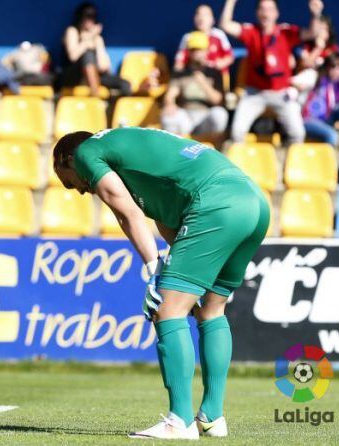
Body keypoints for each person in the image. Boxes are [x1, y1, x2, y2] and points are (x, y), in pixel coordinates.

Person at [53, 127, 269, 440]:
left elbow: (126, 214)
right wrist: (171, 271)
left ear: (67, 158)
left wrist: (155, 269)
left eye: (67, 180)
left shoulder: (86, 152)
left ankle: (178, 421)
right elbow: (173, 226)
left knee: (166, 311)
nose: (77, 189)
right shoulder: (141, 167)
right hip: (252, 202)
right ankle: (212, 417)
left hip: (216, 203)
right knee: (210, 310)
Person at [220, 0, 325, 145]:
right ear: (257, 13)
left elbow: (311, 33)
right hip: (254, 93)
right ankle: (242, 163)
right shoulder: (251, 32)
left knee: (297, 133)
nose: (266, 13)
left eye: (270, 9)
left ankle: (285, 162)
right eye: (262, 9)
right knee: (237, 131)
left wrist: (316, 13)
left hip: (281, 93)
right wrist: (230, 2)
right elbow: (225, 25)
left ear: (276, 13)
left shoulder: (285, 32)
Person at [293, 53, 339, 159]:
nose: (337, 71)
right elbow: (292, 81)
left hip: (327, 119)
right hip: (308, 119)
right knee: (332, 135)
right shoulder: (314, 76)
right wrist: (298, 87)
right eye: (333, 67)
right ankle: (327, 165)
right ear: (326, 67)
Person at [162, 32, 228, 140]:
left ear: (207, 51)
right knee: (168, 115)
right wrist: (170, 104)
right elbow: (170, 95)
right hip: (186, 116)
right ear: (188, 52)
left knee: (220, 114)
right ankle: (173, 153)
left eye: (200, 49)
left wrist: (203, 83)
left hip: (205, 117)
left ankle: (216, 151)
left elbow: (219, 101)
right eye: (193, 50)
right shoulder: (181, 73)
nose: (197, 53)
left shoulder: (214, 73)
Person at [60, 2, 131, 97]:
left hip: (96, 75)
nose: (90, 19)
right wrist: (88, 40)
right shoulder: (72, 31)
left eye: (93, 16)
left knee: (125, 84)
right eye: (87, 15)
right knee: (88, 54)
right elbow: (73, 56)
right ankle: (95, 97)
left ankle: (119, 109)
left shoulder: (98, 38)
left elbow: (104, 66)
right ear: (80, 16)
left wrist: (96, 43)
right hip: (73, 76)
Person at [174, 4, 235, 76]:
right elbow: (179, 63)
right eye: (198, 15)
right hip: (194, 78)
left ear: (212, 19)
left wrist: (218, 64)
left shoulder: (219, 35)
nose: (201, 18)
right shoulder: (188, 37)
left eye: (205, 15)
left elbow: (230, 57)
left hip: (217, 77)